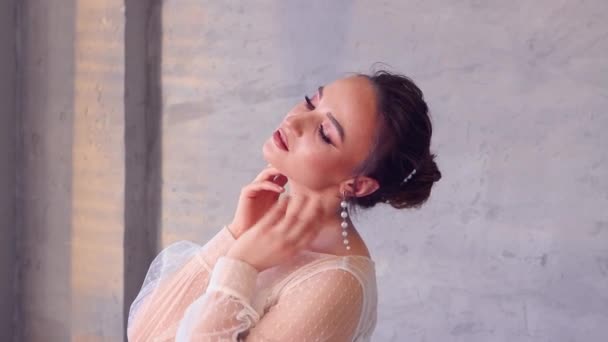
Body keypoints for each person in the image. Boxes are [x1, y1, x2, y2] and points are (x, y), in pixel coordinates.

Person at [126, 69, 442, 341]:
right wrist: (236, 233)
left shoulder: (337, 284)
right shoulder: (265, 233)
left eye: (324, 132)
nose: (295, 120)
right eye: (310, 101)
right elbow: (144, 333)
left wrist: (240, 265)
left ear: (357, 185)